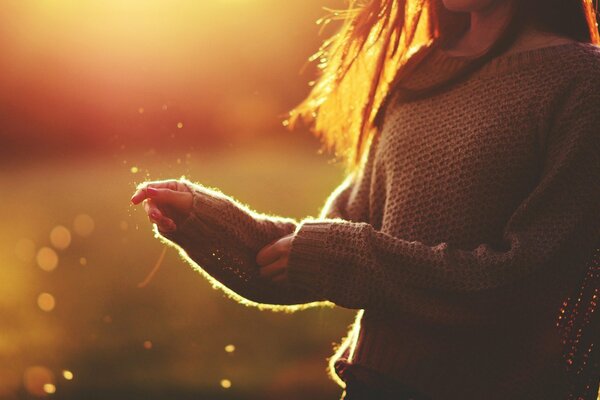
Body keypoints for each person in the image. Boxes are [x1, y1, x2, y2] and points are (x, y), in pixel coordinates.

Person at [130, 0, 600, 398]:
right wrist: (205, 219)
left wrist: (350, 260)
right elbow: (314, 254)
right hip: (377, 385)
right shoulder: (422, 71)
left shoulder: (582, 81)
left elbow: (532, 280)